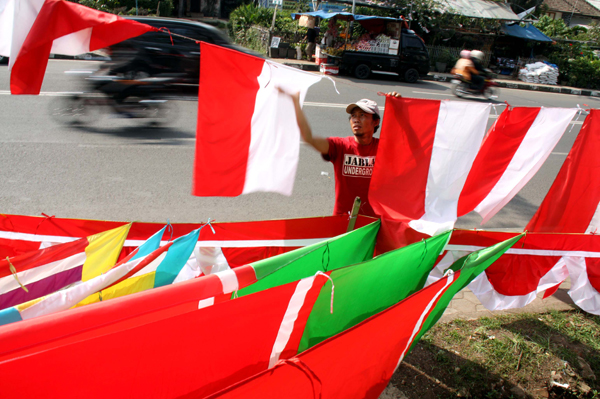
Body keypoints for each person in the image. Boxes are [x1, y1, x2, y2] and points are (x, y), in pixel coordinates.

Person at [282, 89, 401, 217]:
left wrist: (399, 108)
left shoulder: (383, 148)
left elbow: (410, 145)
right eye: (353, 116)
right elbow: (308, 138)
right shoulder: (339, 146)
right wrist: (295, 103)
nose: (356, 119)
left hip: (372, 223)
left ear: (376, 122)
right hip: (342, 220)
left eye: (362, 115)